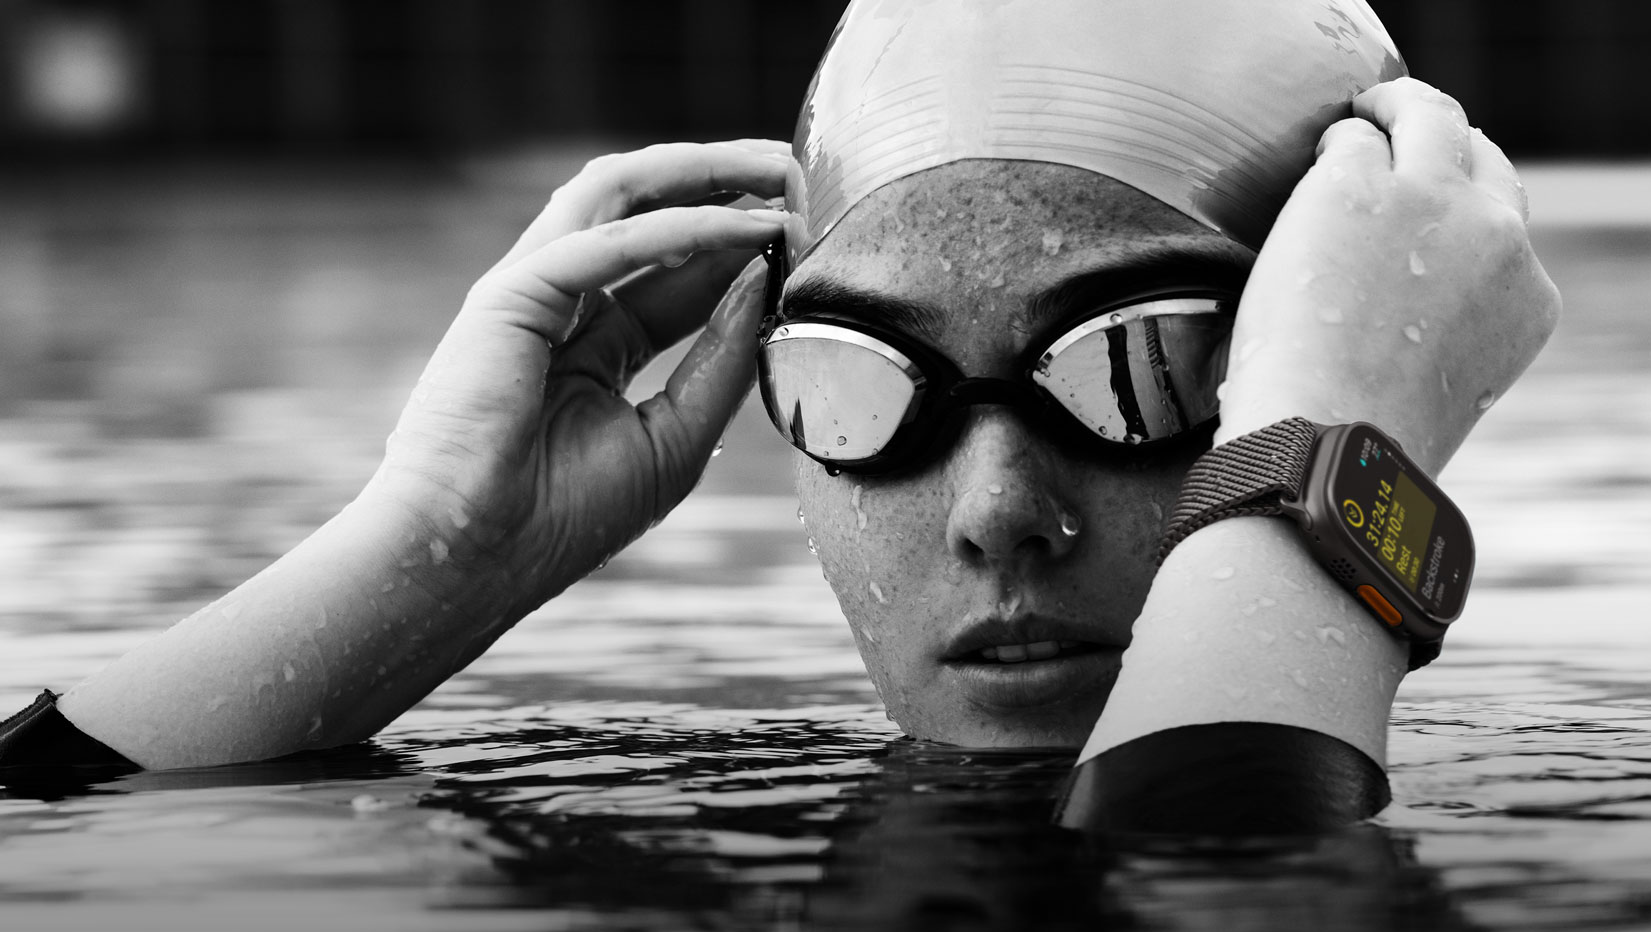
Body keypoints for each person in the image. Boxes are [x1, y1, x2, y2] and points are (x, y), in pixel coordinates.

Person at [0, 0, 1558, 832]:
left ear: (1319, 363)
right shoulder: (679, 887)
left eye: (1141, 367)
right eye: (859, 380)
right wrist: (428, 553)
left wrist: (1316, 468)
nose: (997, 510)